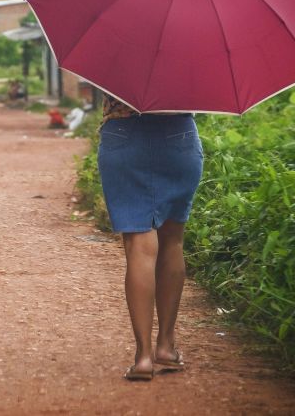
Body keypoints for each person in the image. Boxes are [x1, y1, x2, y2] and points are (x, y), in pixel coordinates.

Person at [97, 94, 203, 381]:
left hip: (123, 133)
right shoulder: (193, 48)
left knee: (139, 247)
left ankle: (143, 357)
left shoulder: (110, 46)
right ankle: (166, 346)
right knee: (172, 242)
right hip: (177, 135)